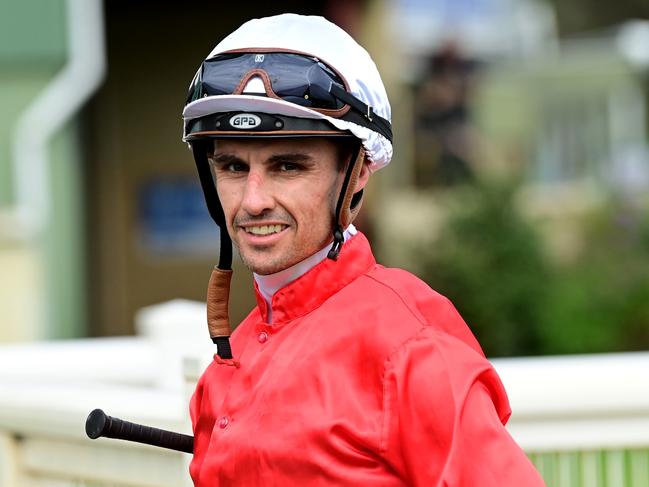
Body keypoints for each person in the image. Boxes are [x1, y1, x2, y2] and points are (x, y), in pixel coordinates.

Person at [182, 13, 545, 487]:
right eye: (232, 166)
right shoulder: (234, 354)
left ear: (357, 172)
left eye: (287, 166)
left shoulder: (411, 347)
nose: (253, 200)